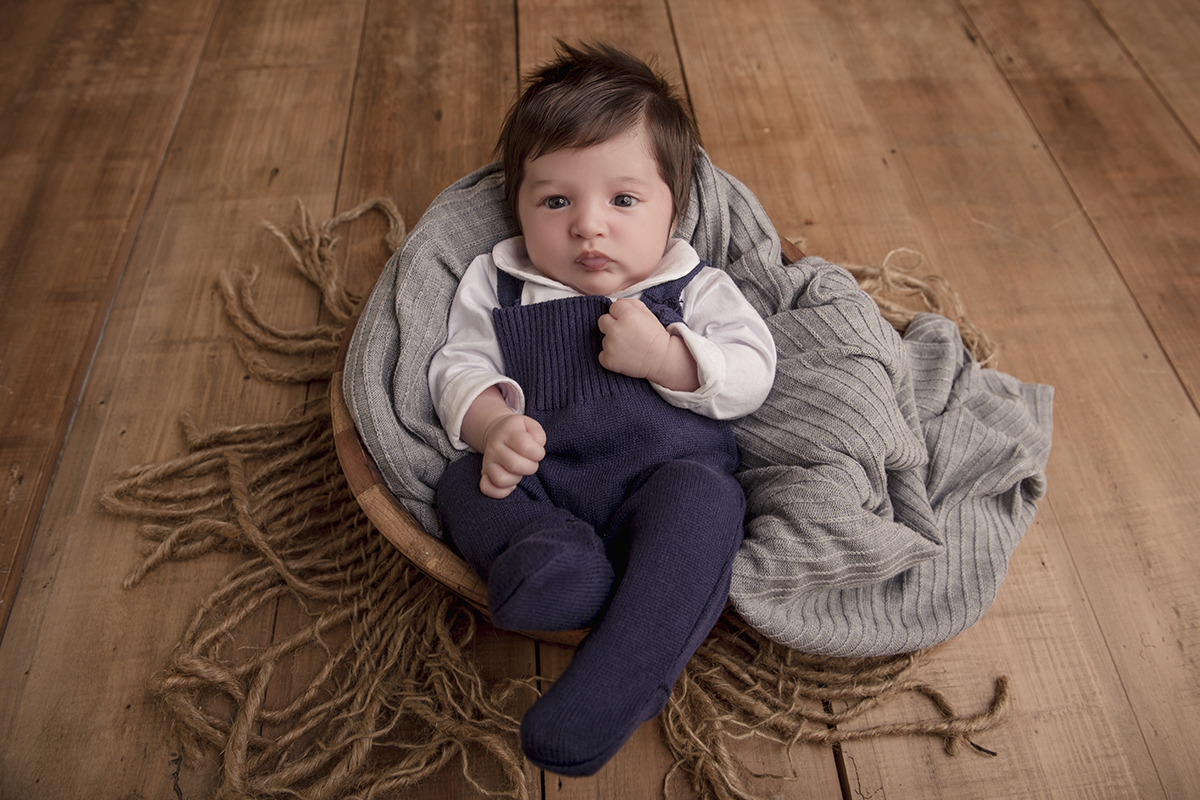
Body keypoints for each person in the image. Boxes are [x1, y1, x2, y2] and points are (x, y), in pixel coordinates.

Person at [429, 41, 776, 776]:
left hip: (664, 480)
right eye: (555, 201)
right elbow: (456, 366)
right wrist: (494, 426)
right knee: (460, 482)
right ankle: (552, 563)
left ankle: (614, 684)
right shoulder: (502, 280)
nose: (588, 225)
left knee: (707, 504)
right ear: (516, 205)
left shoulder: (692, 283)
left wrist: (667, 359)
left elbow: (752, 372)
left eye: (623, 200)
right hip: (549, 485)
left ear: (671, 209)